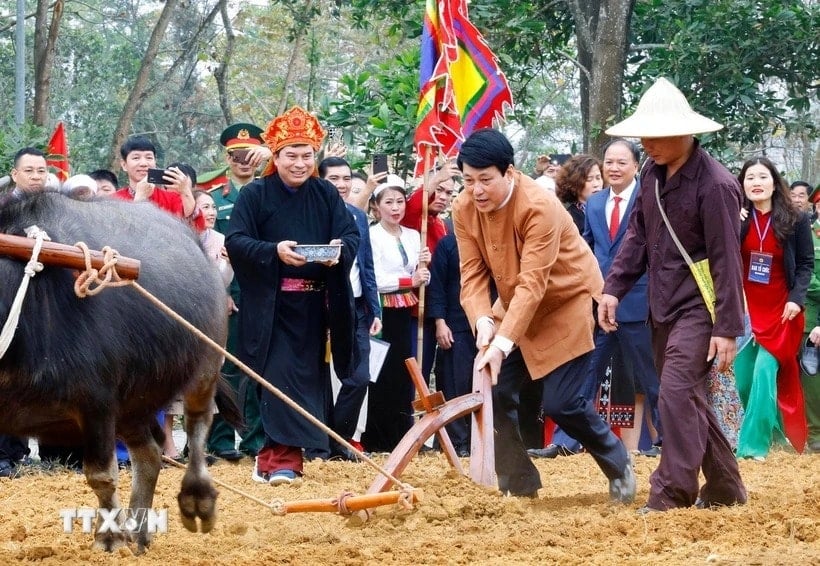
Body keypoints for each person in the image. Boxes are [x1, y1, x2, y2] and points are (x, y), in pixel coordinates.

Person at [452, 128, 634, 501]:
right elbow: (471, 274)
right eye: (469, 181)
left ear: (510, 172)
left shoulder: (539, 206)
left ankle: (618, 462)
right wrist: (484, 321)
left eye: (486, 180)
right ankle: (518, 483)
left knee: (562, 404)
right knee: (493, 390)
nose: (477, 190)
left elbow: (534, 282)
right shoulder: (463, 207)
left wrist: (501, 345)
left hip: (566, 302)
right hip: (514, 306)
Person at [599, 77, 747, 512]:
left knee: (676, 393)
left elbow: (727, 261)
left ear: (686, 132)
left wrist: (727, 328)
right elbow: (637, 238)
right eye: (643, 133)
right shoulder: (650, 173)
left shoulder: (716, 184)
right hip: (660, 308)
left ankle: (671, 492)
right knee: (688, 397)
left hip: (701, 310)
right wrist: (613, 288)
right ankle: (725, 487)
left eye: (656, 134)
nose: (646, 143)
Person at [225, 106, 359, 485]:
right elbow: (236, 241)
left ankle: (270, 458)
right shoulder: (255, 194)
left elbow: (351, 237)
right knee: (280, 380)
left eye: (306, 156)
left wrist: (338, 250)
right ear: (276, 157)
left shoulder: (326, 194)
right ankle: (285, 461)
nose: (300, 164)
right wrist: (273, 252)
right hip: (272, 308)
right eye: (291, 156)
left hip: (315, 308)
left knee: (307, 380)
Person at [733, 157, 811, 460]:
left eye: (762, 176)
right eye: (749, 177)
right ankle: (776, 436)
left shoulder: (795, 218)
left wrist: (797, 298)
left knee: (765, 373)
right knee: (743, 379)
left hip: (782, 311)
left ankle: (752, 448)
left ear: (773, 181)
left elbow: (805, 264)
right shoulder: (737, 217)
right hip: (746, 310)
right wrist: (734, 223)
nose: (755, 182)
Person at [206, 123, 270, 462]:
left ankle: (255, 438)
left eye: (249, 155)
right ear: (227, 157)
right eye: (236, 156)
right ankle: (220, 440)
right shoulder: (216, 198)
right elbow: (213, 251)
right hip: (228, 293)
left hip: (262, 291)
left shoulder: (269, 191)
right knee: (225, 367)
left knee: (258, 367)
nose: (243, 162)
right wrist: (223, 291)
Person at [318, 156, 382, 459]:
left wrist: (375, 309)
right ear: (320, 181)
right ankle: (317, 442)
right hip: (318, 306)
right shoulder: (312, 215)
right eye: (334, 179)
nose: (342, 185)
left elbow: (366, 267)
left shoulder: (357, 216)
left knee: (358, 378)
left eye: (346, 178)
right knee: (316, 378)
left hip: (355, 309)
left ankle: (339, 439)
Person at [363, 175, 431, 453]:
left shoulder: (415, 235)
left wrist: (423, 268)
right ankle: (378, 438)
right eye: (388, 202)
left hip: (407, 311)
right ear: (377, 206)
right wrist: (410, 280)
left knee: (406, 373)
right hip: (382, 311)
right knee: (382, 375)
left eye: (400, 201)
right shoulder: (372, 235)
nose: (395, 207)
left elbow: (419, 273)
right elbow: (376, 277)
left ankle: (403, 436)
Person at [402, 163, 459, 382]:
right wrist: (436, 178)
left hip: (435, 313)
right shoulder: (413, 219)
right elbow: (415, 205)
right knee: (411, 377)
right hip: (412, 310)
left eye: (448, 193)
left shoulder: (442, 225)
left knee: (426, 375)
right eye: (439, 189)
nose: (443, 197)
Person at [427, 231, 476, 457]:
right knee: (455, 383)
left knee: (484, 385)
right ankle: (458, 441)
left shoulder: (491, 239)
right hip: (455, 325)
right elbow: (437, 285)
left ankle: (481, 439)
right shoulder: (448, 244)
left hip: (487, 323)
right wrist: (440, 321)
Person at [112, 135, 201, 227]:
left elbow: (197, 226)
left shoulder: (171, 199)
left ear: (155, 162)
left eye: (149, 158)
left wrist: (185, 190)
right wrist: (139, 199)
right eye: (136, 158)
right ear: (124, 165)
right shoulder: (113, 200)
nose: (143, 163)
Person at [554, 153, 604, 233]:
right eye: (589, 179)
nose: (596, 184)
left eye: (598, 178)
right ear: (575, 183)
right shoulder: (569, 218)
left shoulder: (611, 208)